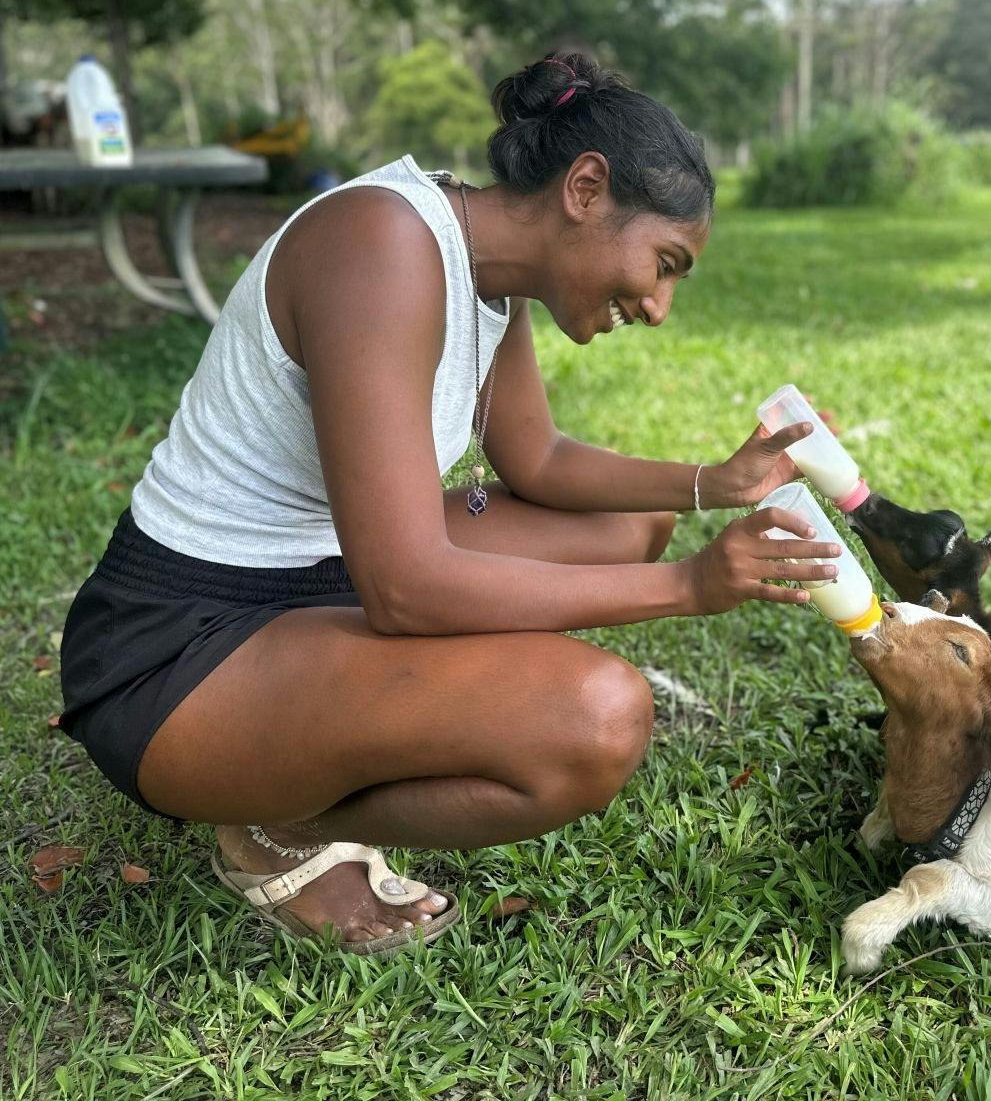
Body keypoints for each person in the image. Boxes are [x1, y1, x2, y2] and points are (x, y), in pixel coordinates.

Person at [56, 53, 841, 955]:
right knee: (596, 720)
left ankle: (313, 754)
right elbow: (409, 592)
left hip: (323, 573)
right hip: (178, 650)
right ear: (586, 187)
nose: (659, 306)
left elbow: (537, 459)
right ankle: (276, 825)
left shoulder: (484, 268)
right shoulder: (382, 246)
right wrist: (690, 587)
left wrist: (714, 484)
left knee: (630, 526)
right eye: (664, 264)